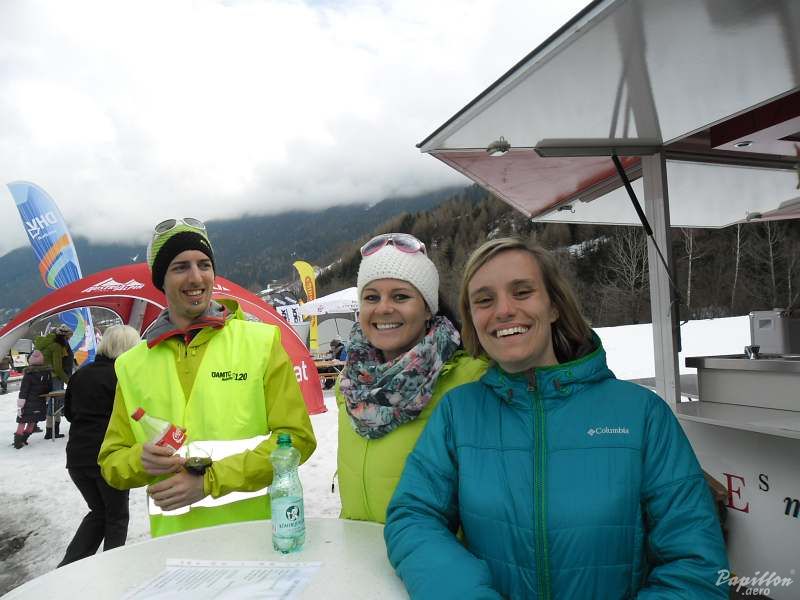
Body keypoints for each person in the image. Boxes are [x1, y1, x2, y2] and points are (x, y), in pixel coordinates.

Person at [384, 237, 728, 599]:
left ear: (554, 306)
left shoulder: (642, 415)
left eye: (522, 292)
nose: (503, 310)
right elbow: (413, 517)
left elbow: (695, 566)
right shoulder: (458, 414)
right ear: (473, 320)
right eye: (484, 300)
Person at [98, 218, 316, 538]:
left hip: (254, 539)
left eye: (204, 265)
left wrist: (210, 481)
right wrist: (140, 460)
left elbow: (297, 439)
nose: (196, 277)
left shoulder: (260, 343)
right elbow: (111, 463)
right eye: (180, 267)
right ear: (161, 280)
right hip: (175, 546)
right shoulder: (132, 364)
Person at [336, 233, 486, 523]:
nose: (383, 308)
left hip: (431, 550)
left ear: (428, 308)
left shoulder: (471, 380)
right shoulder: (352, 383)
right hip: (358, 548)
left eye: (401, 296)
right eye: (371, 297)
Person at [58, 325, 142, 567]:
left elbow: (69, 413)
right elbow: (135, 416)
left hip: (77, 458)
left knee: (99, 512)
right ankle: (113, 569)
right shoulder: (123, 377)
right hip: (108, 458)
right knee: (116, 517)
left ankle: (70, 567)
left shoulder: (80, 374)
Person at [35, 323, 75, 439]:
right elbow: (57, 368)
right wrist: (68, 381)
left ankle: (52, 430)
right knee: (55, 403)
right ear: (63, 337)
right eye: (68, 337)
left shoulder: (49, 343)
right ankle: (52, 432)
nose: (69, 340)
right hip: (55, 377)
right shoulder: (56, 346)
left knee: (54, 403)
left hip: (48, 376)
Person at [13, 350, 50, 449]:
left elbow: (24, 389)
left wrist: (21, 403)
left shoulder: (28, 374)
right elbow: (49, 387)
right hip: (40, 400)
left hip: (28, 402)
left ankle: (18, 442)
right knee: (33, 421)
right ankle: (24, 439)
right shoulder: (47, 373)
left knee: (22, 421)